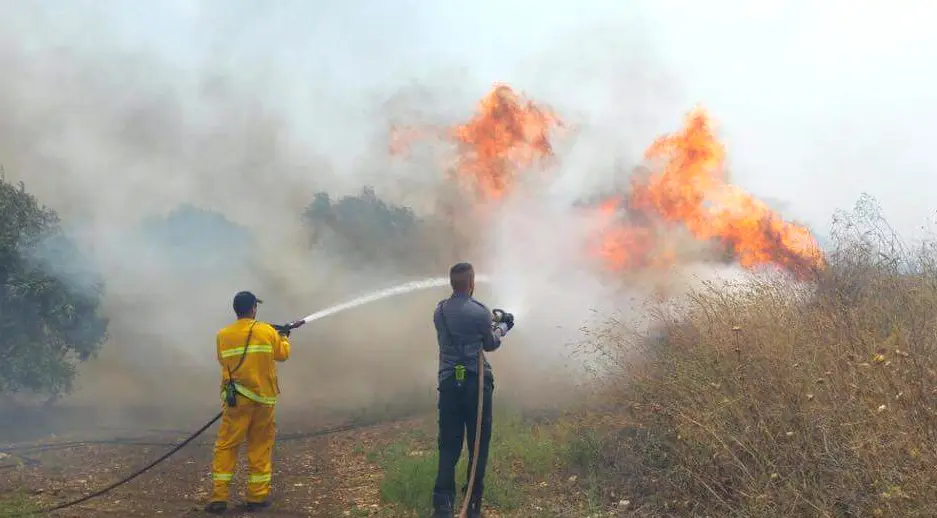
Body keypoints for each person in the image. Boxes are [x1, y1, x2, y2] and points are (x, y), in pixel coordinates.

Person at [205, 291, 302, 514]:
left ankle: (219, 497)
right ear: (253, 309)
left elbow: (223, 361)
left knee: (227, 446)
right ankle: (256, 498)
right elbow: (282, 354)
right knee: (259, 446)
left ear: (236, 310)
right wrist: (284, 336)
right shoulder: (267, 331)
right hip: (264, 400)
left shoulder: (223, 335)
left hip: (236, 400)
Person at [431, 262, 513, 518]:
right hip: (475, 384)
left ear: (452, 283)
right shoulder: (480, 312)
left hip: (448, 383)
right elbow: (489, 344)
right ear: (472, 283)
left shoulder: (439, 311)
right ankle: (473, 506)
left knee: (448, 445)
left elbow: (458, 330)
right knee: (478, 445)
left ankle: (443, 506)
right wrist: (503, 326)